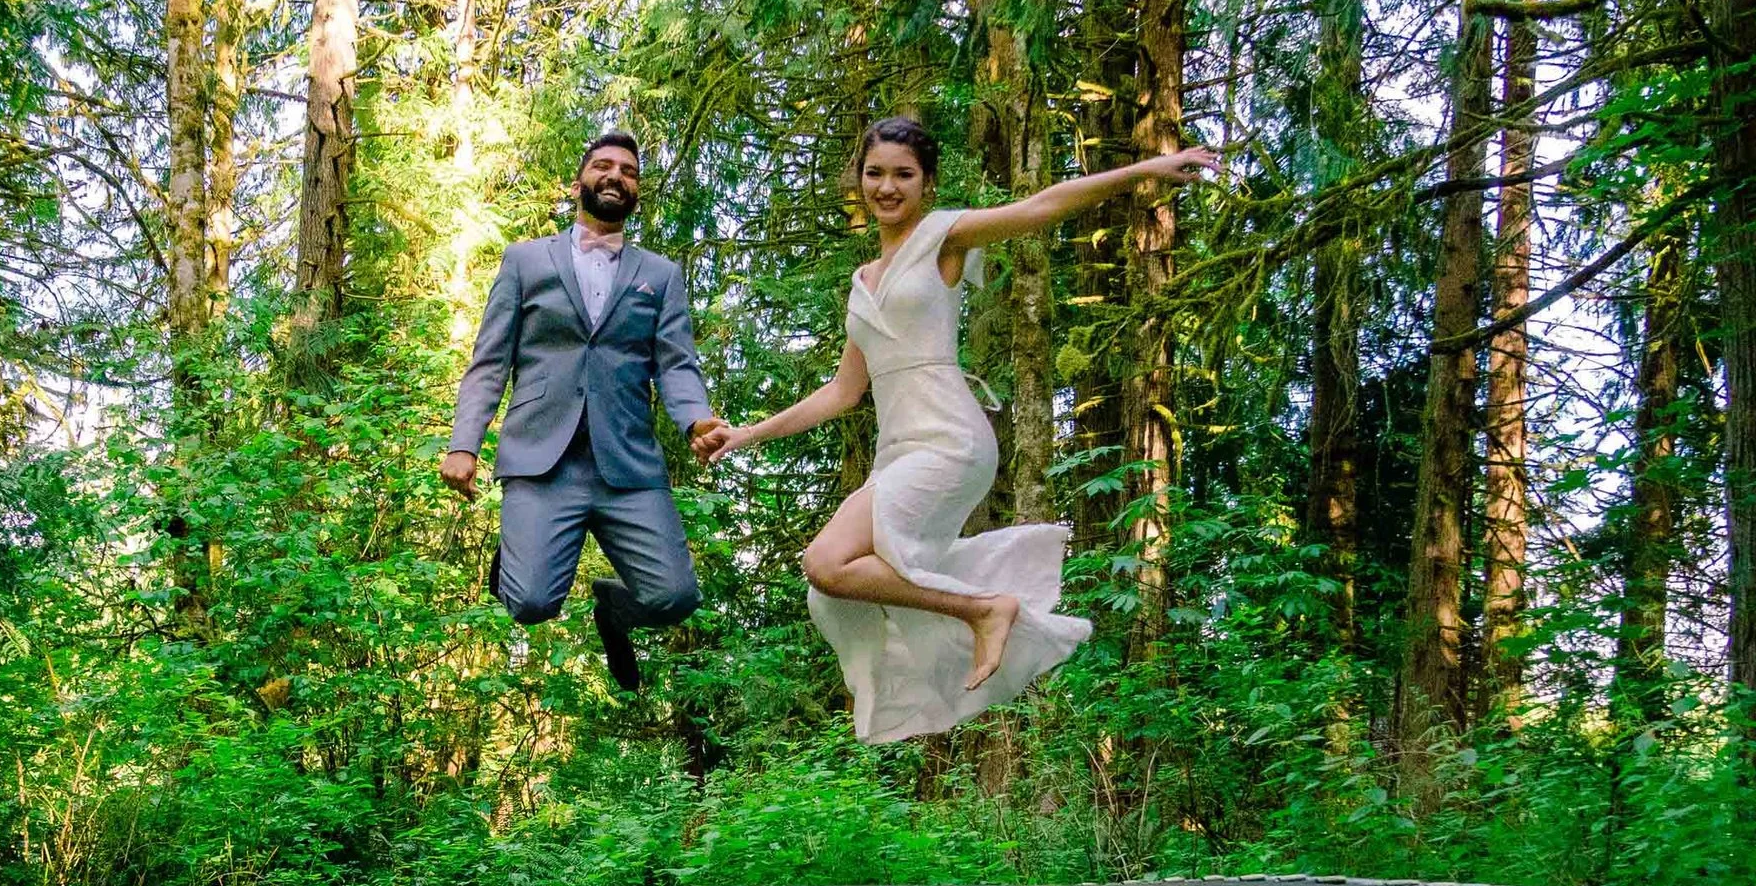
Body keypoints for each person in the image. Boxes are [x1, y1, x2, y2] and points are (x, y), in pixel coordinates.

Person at [697, 117, 1220, 743]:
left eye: (903, 175)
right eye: (874, 173)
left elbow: (1040, 206)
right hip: (899, 451)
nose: (886, 187)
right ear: (857, 178)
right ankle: (980, 612)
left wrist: (1142, 171)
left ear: (927, 184)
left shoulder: (943, 238)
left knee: (825, 561)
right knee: (833, 585)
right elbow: (844, 392)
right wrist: (746, 434)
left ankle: (984, 610)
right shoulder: (862, 283)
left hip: (951, 439)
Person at [443, 132, 727, 691]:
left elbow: (675, 363)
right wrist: (464, 443)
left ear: (636, 191)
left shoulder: (660, 276)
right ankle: (520, 549)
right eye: (603, 166)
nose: (616, 176)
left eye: (628, 170)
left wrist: (698, 419)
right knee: (528, 603)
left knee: (675, 596)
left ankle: (613, 610)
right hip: (541, 460)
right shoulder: (525, 261)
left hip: (626, 465)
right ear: (580, 184)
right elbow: (490, 361)